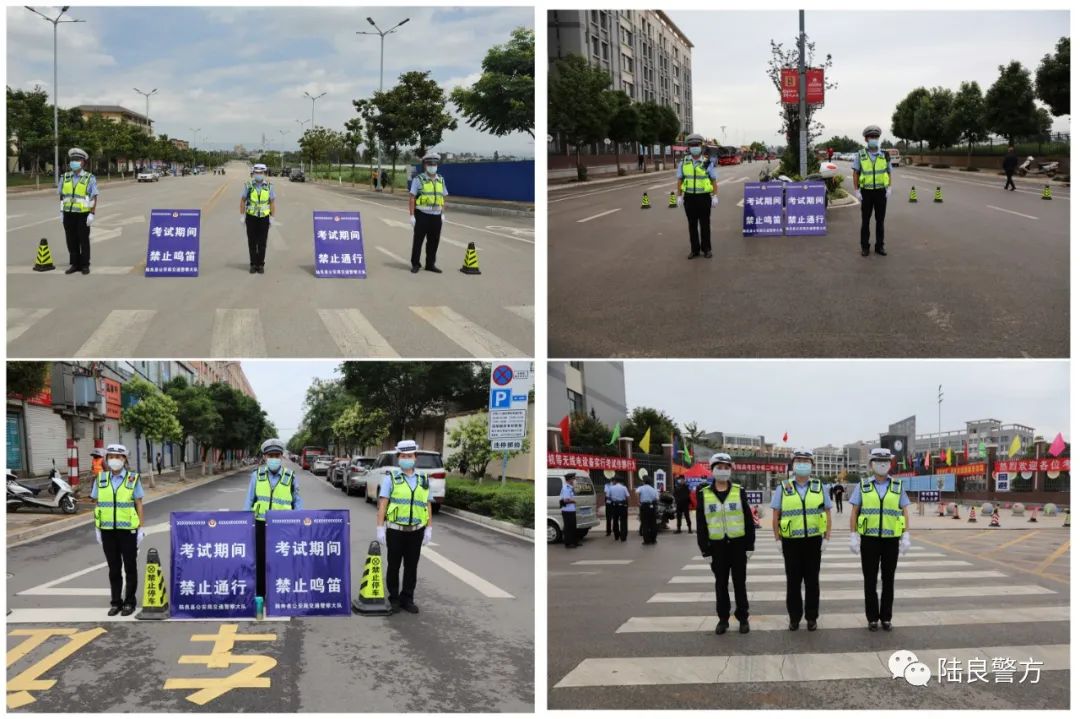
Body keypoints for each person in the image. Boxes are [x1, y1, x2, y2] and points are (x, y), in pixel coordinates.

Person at [850, 447, 912, 632]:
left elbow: (905, 511)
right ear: (871, 464)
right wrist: (853, 535)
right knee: (870, 580)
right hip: (869, 540)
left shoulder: (897, 486)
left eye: (886, 461)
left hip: (891, 540)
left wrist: (906, 535)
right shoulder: (862, 486)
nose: (882, 464)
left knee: (888, 580)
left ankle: (886, 617)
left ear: (891, 464)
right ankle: (872, 618)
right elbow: (854, 512)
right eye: (878, 461)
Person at [771, 450, 833, 631]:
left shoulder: (820, 487)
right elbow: (776, 515)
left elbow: (828, 514)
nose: (803, 464)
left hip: (814, 541)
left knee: (812, 582)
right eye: (799, 461)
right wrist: (777, 539)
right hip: (791, 542)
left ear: (812, 465)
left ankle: (812, 617)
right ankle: (794, 617)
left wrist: (827, 538)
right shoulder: (783, 488)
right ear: (793, 464)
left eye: (806, 461)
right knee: (793, 582)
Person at [696, 452, 755, 635]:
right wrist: (705, 550)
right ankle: (723, 619)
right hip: (717, 547)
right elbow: (701, 524)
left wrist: (749, 546)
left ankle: (743, 617)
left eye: (726, 468)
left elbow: (748, 520)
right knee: (720, 584)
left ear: (730, 470)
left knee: (739, 583)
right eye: (719, 467)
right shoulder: (704, 494)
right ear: (712, 470)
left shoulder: (739, 491)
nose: (723, 471)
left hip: (738, 546)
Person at [376, 440, 433, 613]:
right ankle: (393, 598)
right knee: (393, 566)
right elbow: (383, 504)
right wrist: (380, 527)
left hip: (416, 531)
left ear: (415, 458)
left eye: (409, 456)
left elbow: (427, 505)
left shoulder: (423, 480)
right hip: (395, 530)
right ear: (398, 458)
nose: (406, 458)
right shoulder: (390, 479)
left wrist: (429, 528)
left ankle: (407, 598)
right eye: (403, 456)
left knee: (411, 567)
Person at [91, 444, 145, 616]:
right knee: (114, 568)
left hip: (128, 531)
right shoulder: (100, 480)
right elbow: (97, 503)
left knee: (130, 567)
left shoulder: (132, 479)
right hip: (107, 531)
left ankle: (129, 602)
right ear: (107, 459)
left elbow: (139, 503)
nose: (115, 460)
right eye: (112, 456)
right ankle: (116, 602)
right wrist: (97, 528)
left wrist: (140, 528)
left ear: (125, 460)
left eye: (119, 457)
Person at [244, 438, 302, 598]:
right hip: (261, 525)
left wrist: (299, 523)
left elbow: (297, 501)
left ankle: (281, 593)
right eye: (270, 456)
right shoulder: (257, 475)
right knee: (261, 561)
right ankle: (261, 594)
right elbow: (249, 500)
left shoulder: (290, 476)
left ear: (282, 456)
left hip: (283, 526)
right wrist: (245, 524)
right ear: (264, 457)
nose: (274, 459)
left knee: (281, 560)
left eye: (277, 455)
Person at [675, 133, 719, 260]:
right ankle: (694, 250)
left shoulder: (707, 163)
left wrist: (715, 195)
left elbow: (713, 180)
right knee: (692, 224)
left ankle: (707, 249)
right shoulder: (683, 162)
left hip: (704, 197)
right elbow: (679, 180)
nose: (695, 147)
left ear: (701, 146)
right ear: (688, 147)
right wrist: (679, 196)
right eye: (692, 145)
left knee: (705, 224)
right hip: (689, 198)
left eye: (697, 145)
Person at [852, 125, 892, 257]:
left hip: (881, 192)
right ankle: (865, 247)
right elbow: (856, 173)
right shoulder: (860, 154)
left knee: (880, 221)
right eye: (871, 137)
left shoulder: (884, 154)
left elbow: (889, 172)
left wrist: (889, 188)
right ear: (866, 139)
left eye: (876, 137)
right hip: (866, 193)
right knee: (865, 221)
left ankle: (880, 246)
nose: (874, 139)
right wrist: (856, 190)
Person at [59, 147, 98, 275]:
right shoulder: (65, 177)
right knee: (71, 240)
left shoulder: (89, 178)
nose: (74, 162)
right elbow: (62, 196)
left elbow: (94, 196)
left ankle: (85, 265)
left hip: (83, 215)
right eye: (72, 160)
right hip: (68, 214)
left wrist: (92, 213)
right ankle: (75, 264)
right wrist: (61, 211)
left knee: (83, 240)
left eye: (77, 160)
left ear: (83, 162)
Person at [408, 152, 447, 274]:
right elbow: (412, 197)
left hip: (436, 216)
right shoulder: (418, 179)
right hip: (422, 215)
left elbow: (442, 197)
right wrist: (412, 215)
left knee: (434, 241)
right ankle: (415, 264)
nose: (432, 166)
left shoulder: (441, 179)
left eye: (434, 164)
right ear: (425, 165)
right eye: (430, 164)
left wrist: (443, 213)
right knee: (418, 241)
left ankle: (430, 264)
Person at [240, 163, 277, 274]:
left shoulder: (269, 186)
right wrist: (242, 216)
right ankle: (253, 264)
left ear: (264, 173)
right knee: (252, 242)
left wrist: (272, 218)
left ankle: (260, 264)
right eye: (257, 173)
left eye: (261, 173)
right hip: (251, 218)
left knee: (262, 243)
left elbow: (272, 203)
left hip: (264, 218)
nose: (259, 175)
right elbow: (242, 200)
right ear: (253, 173)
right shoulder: (248, 185)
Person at [636, 477, 660, 545]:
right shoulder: (654, 489)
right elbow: (657, 499)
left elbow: (637, 493)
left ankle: (646, 540)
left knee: (645, 523)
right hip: (652, 507)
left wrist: (638, 502)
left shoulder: (641, 488)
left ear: (644, 482)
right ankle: (653, 540)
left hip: (644, 506)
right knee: (653, 523)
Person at [558, 472, 579, 549]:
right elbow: (566, 500)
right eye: (573, 479)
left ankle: (574, 542)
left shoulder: (570, 487)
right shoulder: (566, 488)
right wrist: (573, 501)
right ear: (569, 479)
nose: (574, 480)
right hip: (567, 510)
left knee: (573, 527)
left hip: (571, 510)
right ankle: (568, 543)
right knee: (568, 527)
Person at [608, 477, 630, 542]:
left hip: (614, 506)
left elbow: (609, 497)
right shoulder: (624, 488)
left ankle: (616, 536)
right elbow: (628, 497)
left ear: (615, 481)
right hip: (622, 506)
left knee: (615, 521)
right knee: (623, 522)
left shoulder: (611, 488)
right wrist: (627, 505)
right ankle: (623, 537)